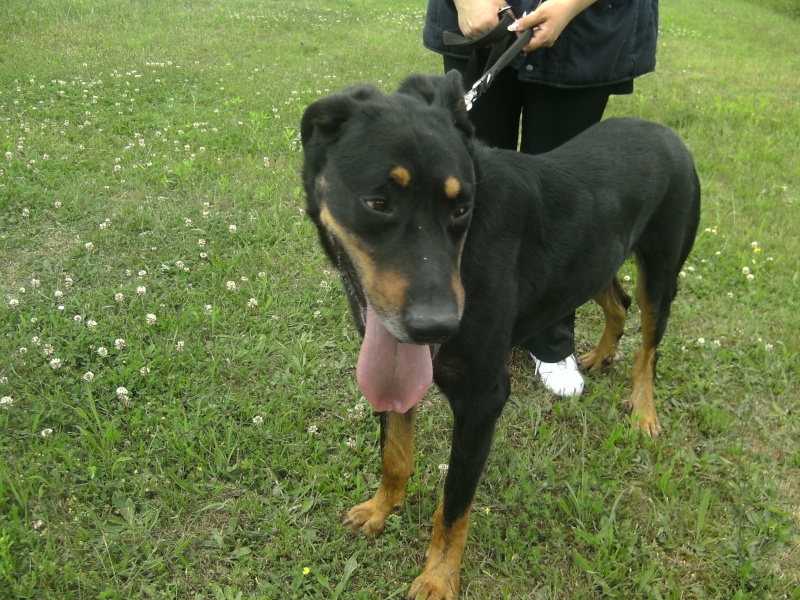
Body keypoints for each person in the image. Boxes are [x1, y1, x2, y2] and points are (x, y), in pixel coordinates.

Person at [423, 0, 658, 397]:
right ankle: (467, 322)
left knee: (559, 197)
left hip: (585, 27)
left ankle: (551, 338)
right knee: (470, 190)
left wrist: (569, 6)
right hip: (479, 20)